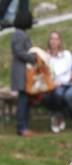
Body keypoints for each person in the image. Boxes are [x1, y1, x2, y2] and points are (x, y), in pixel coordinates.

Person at [10, 6, 36, 136]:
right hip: (21, 73)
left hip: (25, 73)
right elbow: (19, 52)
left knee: (25, 99)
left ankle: (24, 126)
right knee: (22, 100)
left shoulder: (21, 33)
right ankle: (21, 127)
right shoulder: (18, 34)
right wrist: (33, 57)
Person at [43, 31, 72, 133]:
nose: (54, 41)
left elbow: (69, 72)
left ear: (60, 41)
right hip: (48, 84)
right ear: (49, 41)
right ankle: (58, 115)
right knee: (45, 97)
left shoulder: (66, 55)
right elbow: (43, 73)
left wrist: (60, 83)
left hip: (63, 84)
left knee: (58, 93)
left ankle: (56, 118)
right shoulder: (45, 56)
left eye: (56, 39)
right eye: (52, 39)